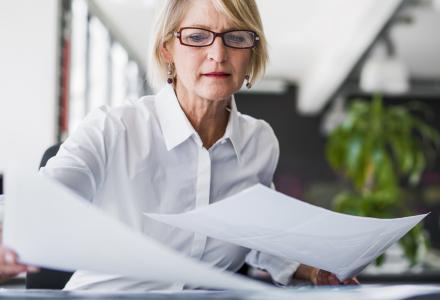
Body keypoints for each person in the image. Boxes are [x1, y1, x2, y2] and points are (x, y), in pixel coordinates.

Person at [0, 0, 359, 290]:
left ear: (251, 51)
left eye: (236, 37)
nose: (218, 54)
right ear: (167, 48)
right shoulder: (114, 129)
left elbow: (252, 234)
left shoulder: (258, 142)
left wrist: (307, 267)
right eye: (198, 36)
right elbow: (36, 205)